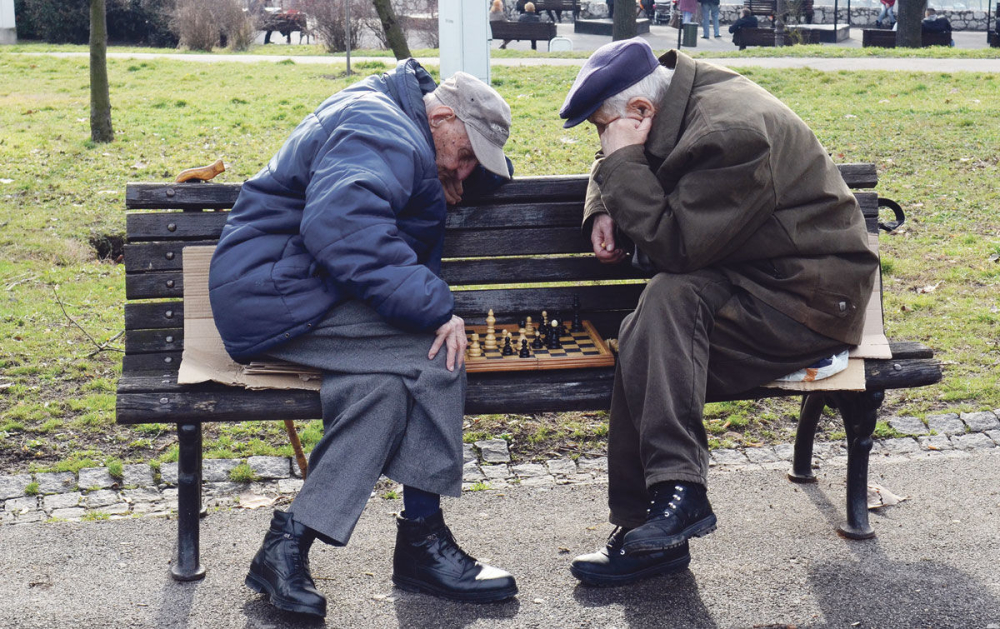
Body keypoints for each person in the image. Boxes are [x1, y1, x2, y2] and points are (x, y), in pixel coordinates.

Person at [558, 38, 877, 587]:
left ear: (640, 112)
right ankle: (667, 511)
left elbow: (675, 248)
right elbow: (621, 152)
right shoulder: (672, 92)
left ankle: (660, 514)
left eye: (602, 127)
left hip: (806, 298)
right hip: (751, 272)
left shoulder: (731, 135)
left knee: (653, 326)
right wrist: (601, 207)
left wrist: (622, 163)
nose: (603, 141)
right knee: (655, 324)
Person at [209, 62, 519, 617]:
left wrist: (455, 169)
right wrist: (437, 308)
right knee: (437, 356)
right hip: (276, 296)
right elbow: (343, 227)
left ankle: (287, 545)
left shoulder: (399, 120)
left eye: (470, 163)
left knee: (382, 389)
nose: (463, 171)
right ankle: (423, 543)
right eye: (466, 155)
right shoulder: (383, 129)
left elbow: (426, 179)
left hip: (297, 290)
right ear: (441, 115)